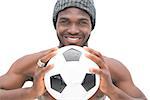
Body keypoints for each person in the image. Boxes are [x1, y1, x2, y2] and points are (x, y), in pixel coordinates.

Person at [0, 0, 147, 100]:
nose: (73, 30)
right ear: (55, 24)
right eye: (65, 22)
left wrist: (112, 91)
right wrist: (30, 92)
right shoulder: (35, 64)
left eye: (82, 23)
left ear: (91, 27)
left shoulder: (108, 67)